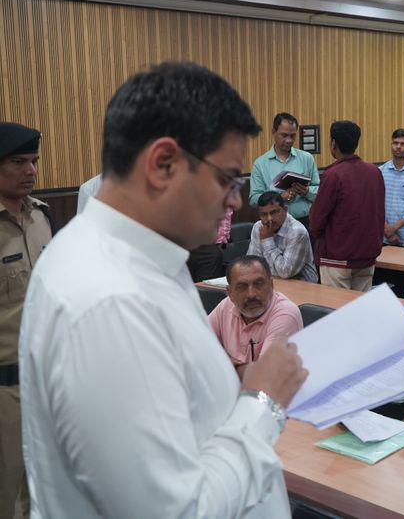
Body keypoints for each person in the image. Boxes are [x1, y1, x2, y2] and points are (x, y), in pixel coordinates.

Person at [19, 62, 308, 518]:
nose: (236, 200)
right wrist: (262, 403)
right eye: (226, 179)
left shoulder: (147, 258)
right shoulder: (109, 302)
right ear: (163, 164)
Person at [0, 122, 52, 519]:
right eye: (18, 162)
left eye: (33, 161)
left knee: (45, 485)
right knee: (8, 491)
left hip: (46, 378)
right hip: (5, 388)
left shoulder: (42, 218)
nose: (30, 171)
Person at [309, 120, 385, 291]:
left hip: (337, 257)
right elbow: (378, 212)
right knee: (361, 306)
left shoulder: (333, 175)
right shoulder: (375, 172)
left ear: (333, 143)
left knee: (336, 306)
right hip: (367, 256)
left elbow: (316, 221)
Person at [209, 255, 303, 381]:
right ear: (230, 292)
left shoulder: (286, 314)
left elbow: (263, 375)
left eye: (259, 284)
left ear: (271, 285)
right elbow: (197, 345)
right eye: (242, 287)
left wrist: (222, 363)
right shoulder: (226, 306)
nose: (251, 294)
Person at [249, 112, 319, 228]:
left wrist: (306, 191)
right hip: (274, 225)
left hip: (305, 222)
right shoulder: (260, 164)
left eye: (292, 136)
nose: (289, 140)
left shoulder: (307, 158)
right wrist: (279, 198)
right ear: (273, 132)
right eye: (284, 135)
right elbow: (253, 199)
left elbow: (320, 191)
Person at [247, 191, 317, 282]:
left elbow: (286, 272)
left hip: (302, 283)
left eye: (274, 212)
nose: (269, 219)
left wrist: (267, 240)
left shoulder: (297, 231)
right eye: (264, 214)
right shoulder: (258, 227)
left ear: (285, 210)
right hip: (271, 280)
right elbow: (252, 264)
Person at [186, 206, 232, 282]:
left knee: (207, 285)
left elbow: (224, 215)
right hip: (178, 243)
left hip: (208, 245)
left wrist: (219, 241)